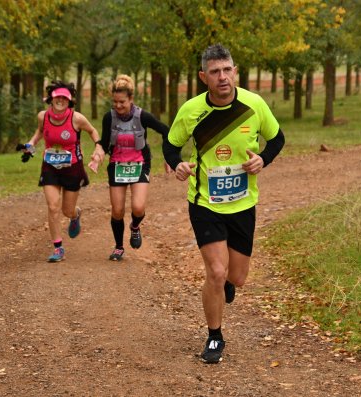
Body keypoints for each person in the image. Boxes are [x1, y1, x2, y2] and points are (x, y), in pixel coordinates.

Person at [163, 44, 285, 364]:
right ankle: (215, 336)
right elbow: (171, 145)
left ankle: (228, 284)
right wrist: (176, 164)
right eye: (215, 72)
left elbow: (278, 138)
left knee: (237, 277)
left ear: (236, 72)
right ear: (204, 77)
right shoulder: (191, 111)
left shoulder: (254, 104)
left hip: (243, 204)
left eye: (227, 70)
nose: (222, 77)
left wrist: (264, 159)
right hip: (205, 202)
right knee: (216, 272)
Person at [22, 80, 105, 262]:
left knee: (67, 211)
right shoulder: (43, 116)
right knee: (53, 207)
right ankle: (58, 248)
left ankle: (75, 214)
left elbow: (93, 131)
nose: (60, 100)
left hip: (72, 167)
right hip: (50, 166)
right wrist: (30, 147)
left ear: (69, 101)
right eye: (57, 97)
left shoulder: (77, 118)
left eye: (64, 98)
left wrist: (98, 147)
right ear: (51, 99)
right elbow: (39, 133)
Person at [97, 74, 172, 262]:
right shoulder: (109, 117)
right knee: (117, 211)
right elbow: (104, 142)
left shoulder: (142, 116)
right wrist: (98, 153)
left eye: (122, 102)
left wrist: (169, 157)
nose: (118, 106)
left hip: (139, 163)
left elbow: (166, 131)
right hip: (117, 164)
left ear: (131, 99)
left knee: (138, 208)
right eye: (115, 102)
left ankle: (135, 227)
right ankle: (119, 247)